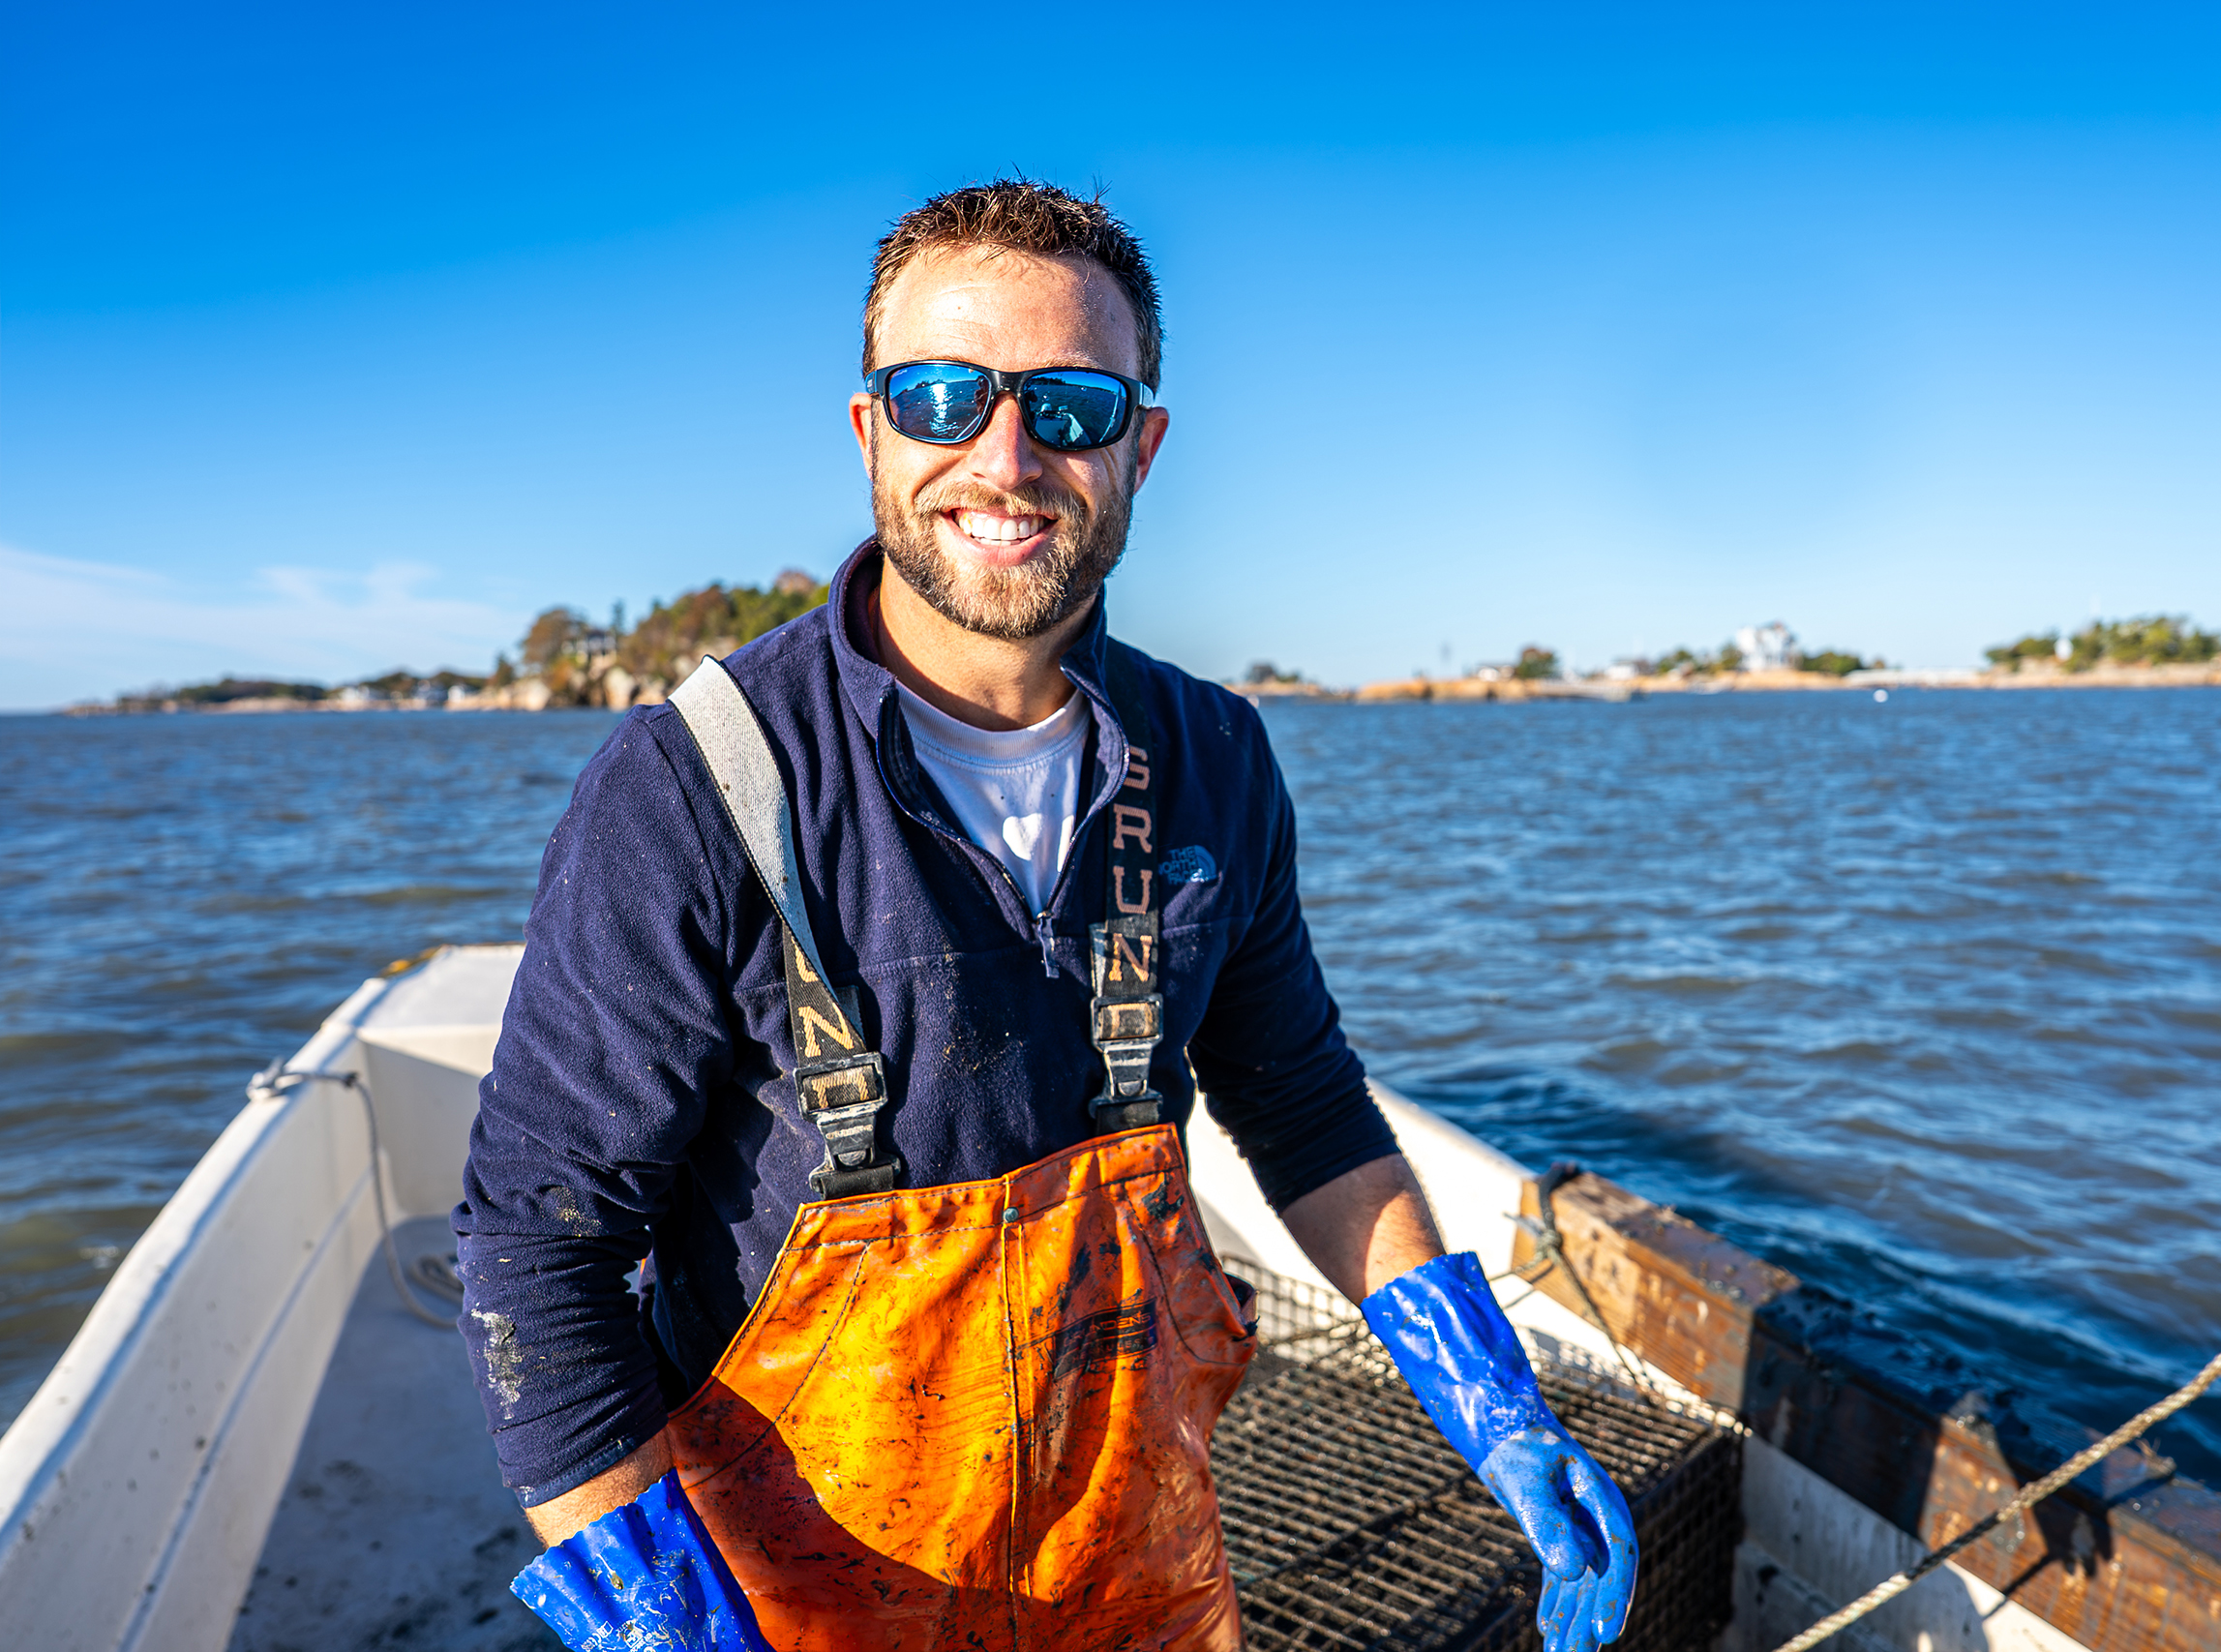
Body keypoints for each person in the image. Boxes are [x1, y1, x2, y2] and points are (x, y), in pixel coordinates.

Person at [456, 180, 1637, 1652]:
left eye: (1069, 405)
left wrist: (1494, 1403)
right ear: (871, 429)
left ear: (1141, 443)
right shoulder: (692, 786)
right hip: (791, 1598)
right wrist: (665, 1625)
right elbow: (537, 1248)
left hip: (1140, 1567)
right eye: (943, 396)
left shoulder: (1215, 757)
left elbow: (1305, 1108)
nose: (1004, 459)